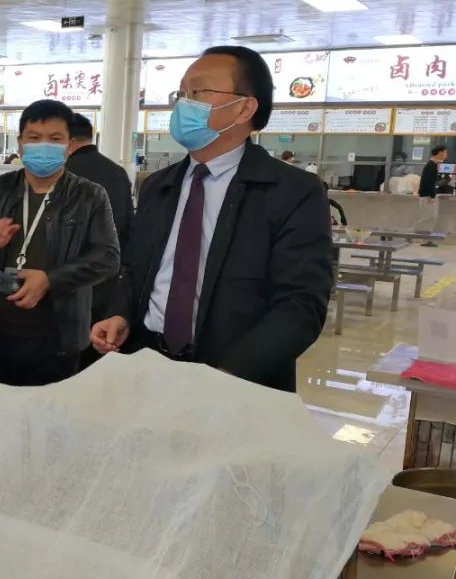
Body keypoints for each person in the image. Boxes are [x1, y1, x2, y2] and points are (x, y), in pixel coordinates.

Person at [91, 46, 333, 393]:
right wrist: (121, 314)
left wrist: (230, 373)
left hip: (237, 379)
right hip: (147, 365)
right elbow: (135, 269)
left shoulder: (293, 192)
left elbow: (301, 304)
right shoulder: (158, 186)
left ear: (245, 108)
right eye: (181, 93)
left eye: (199, 92)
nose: (183, 104)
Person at [0, 99, 120, 387]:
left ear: (70, 146)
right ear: (21, 144)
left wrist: (50, 279)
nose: (43, 146)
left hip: (58, 334)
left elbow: (108, 257)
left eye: (55, 139)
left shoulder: (89, 195)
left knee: (49, 412)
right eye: (34, 138)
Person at [65, 112, 134, 370]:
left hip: (69, 283)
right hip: (109, 282)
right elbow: (128, 227)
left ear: (69, 141)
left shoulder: (64, 173)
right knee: (98, 353)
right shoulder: (117, 172)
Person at [416, 145, 448, 240]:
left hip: (428, 194)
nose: (446, 155)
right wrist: (432, 196)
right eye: (445, 152)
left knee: (430, 217)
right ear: (440, 153)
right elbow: (429, 182)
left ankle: (425, 238)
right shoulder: (431, 165)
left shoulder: (434, 165)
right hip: (427, 195)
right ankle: (416, 235)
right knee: (428, 217)